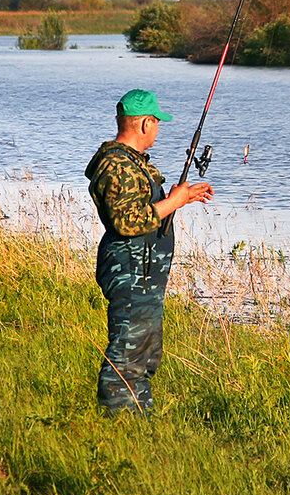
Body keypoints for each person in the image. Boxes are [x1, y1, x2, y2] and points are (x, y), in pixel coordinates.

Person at [85, 88, 213, 414]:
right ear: (144, 124)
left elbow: (142, 211)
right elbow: (127, 222)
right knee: (128, 354)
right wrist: (174, 202)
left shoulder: (132, 164)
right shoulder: (116, 165)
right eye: (156, 123)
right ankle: (114, 426)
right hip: (131, 270)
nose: (157, 130)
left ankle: (139, 426)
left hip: (145, 272)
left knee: (145, 353)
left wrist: (176, 198)